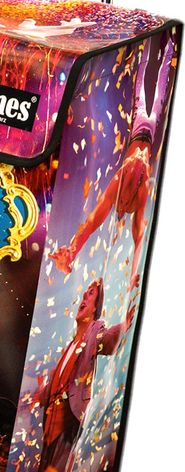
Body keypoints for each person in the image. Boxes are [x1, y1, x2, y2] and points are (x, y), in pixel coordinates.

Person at [51, 36, 174, 290]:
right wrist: (133, 273)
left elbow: (92, 222)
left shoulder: (117, 188)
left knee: (145, 82)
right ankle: (169, 46)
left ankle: (150, 45)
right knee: (161, 84)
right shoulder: (138, 196)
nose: (117, 214)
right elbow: (138, 237)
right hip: (150, 130)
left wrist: (71, 251)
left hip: (139, 127)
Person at [29, 279, 136, 472]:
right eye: (85, 292)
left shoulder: (94, 331)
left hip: (67, 426)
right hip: (50, 428)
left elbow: (108, 341)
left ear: (95, 307)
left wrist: (125, 324)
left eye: (91, 294)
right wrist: (38, 394)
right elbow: (55, 384)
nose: (84, 297)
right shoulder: (70, 346)